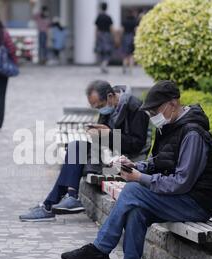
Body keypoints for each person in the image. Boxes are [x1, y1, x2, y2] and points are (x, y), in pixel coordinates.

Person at [61, 80, 212, 259]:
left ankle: (100, 249)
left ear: (173, 104)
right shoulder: (170, 127)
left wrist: (140, 178)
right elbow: (159, 162)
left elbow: (181, 182)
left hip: (197, 202)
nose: (154, 116)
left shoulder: (192, 134)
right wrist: (134, 166)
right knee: (136, 209)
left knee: (132, 191)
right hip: (182, 197)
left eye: (156, 110)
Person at [19, 80, 150, 222]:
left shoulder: (135, 107)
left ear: (110, 96)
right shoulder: (110, 108)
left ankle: (48, 206)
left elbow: (137, 145)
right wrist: (95, 133)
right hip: (108, 153)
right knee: (75, 146)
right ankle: (71, 196)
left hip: (128, 160)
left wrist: (109, 134)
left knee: (76, 155)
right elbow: (105, 138)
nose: (100, 110)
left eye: (99, 106)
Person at [95, 2, 114, 74]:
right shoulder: (108, 17)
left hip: (100, 34)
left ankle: (102, 64)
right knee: (108, 51)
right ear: (107, 8)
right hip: (107, 35)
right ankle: (105, 64)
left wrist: (96, 36)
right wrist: (113, 36)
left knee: (100, 51)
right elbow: (111, 28)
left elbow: (96, 28)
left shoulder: (99, 17)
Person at [121, 10, 138, 75]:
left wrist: (121, 38)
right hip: (132, 37)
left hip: (125, 37)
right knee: (131, 55)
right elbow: (136, 30)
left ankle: (124, 67)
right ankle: (131, 69)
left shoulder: (124, 21)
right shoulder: (135, 21)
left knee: (125, 54)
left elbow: (122, 30)